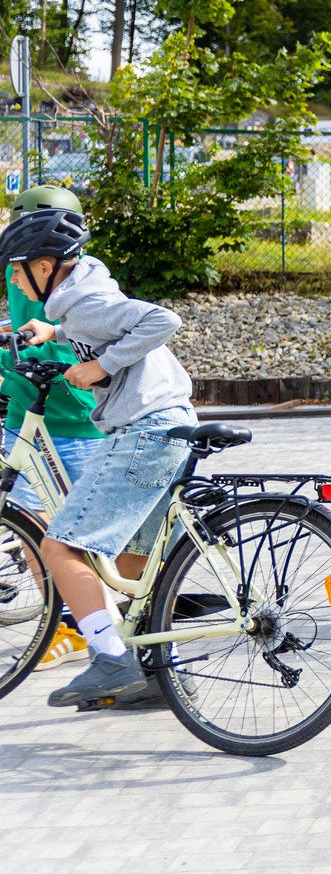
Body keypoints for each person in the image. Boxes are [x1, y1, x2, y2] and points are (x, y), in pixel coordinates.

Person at [1, 207, 199, 708]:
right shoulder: (81, 299)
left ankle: (110, 660)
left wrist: (100, 367)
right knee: (136, 560)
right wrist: (54, 334)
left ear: (44, 267)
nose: (15, 283)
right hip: (170, 425)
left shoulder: (86, 303)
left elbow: (162, 319)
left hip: (144, 432)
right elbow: (102, 325)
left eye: (16, 271)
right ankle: (161, 673)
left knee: (59, 548)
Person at [0, 186, 102, 671]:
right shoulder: (16, 270)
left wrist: (14, 357)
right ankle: (63, 625)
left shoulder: (85, 279)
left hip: (76, 420)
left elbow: (70, 347)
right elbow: (26, 331)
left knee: (88, 534)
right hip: (27, 416)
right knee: (27, 521)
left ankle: (113, 626)